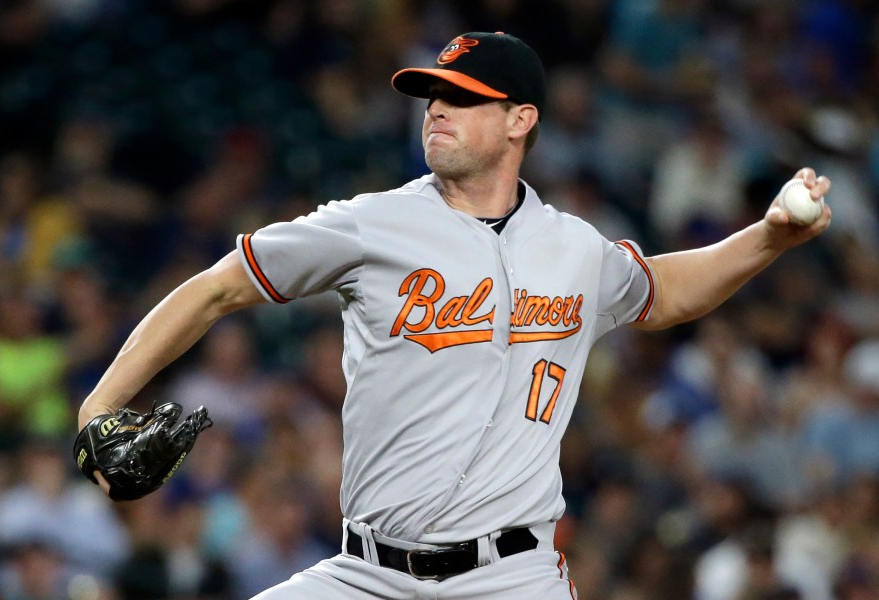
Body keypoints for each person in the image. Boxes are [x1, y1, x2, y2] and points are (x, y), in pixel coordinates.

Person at [77, 31, 832, 599]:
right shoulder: (369, 224)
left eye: (463, 96)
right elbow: (215, 287)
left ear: (519, 120)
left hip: (512, 577)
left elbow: (664, 290)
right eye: (434, 95)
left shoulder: (573, 246)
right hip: (364, 573)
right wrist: (102, 403)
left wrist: (766, 239)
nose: (437, 108)